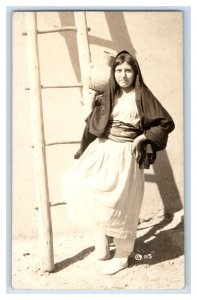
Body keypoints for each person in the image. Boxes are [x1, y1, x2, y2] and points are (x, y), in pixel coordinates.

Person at [61, 50, 175, 275]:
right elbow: (95, 121)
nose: (123, 75)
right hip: (103, 149)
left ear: (135, 72)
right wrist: (93, 105)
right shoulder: (110, 94)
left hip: (125, 154)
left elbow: (165, 122)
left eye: (128, 71)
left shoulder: (142, 94)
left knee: (123, 203)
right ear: (113, 73)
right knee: (78, 183)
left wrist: (143, 137)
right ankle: (102, 244)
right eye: (119, 70)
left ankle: (122, 255)